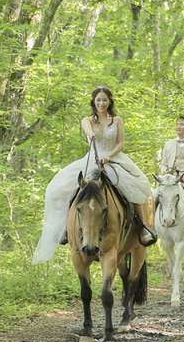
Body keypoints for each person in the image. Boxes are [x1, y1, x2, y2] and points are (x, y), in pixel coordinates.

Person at [32, 85, 157, 265]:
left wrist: (109, 156)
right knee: (64, 189)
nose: (101, 103)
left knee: (134, 189)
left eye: (104, 100)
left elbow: (120, 143)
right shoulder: (88, 120)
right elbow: (88, 129)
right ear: (94, 102)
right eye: (98, 100)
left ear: (110, 102)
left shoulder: (117, 120)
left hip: (114, 159)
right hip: (92, 159)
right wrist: (91, 135)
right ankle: (65, 229)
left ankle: (143, 227)